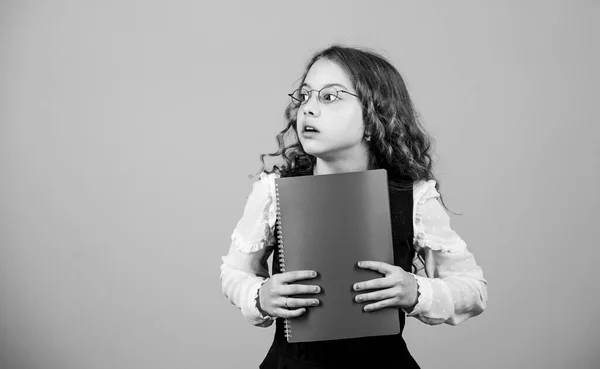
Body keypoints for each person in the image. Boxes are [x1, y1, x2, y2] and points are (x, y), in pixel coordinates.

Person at [220, 44, 488, 368]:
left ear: (376, 116)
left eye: (330, 97)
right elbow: (234, 273)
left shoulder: (413, 197)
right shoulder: (273, 192)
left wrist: (416, 292)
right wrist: (259, 296)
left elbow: (473, 290)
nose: (308, 109)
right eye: (304, 96)